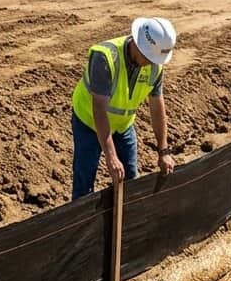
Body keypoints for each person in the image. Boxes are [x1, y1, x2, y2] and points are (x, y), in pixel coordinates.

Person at [70, 17, 177, 200]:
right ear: (137, 43)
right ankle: (79, 225)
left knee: (130, 180)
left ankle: (126, 225)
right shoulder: (105, 58)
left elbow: (157, 107)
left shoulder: (154, 66)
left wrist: (163, 151)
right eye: (148, 57)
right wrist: (111, 156)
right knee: (85, 181)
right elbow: (99, 109)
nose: (151, 62)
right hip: (89, 122)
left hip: (123, 125)